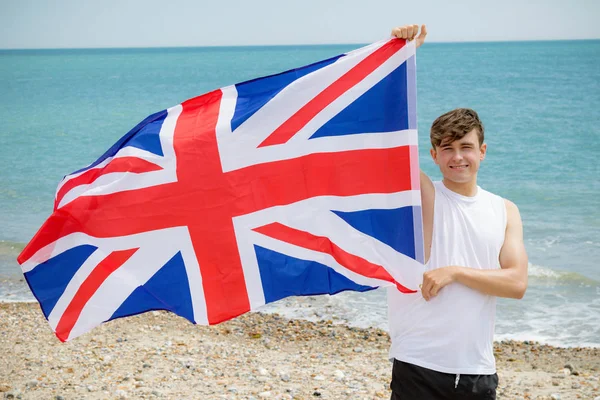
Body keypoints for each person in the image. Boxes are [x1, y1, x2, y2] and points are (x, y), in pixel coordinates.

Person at [387, 25, 529, 400]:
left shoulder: (505, 210)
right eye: (446, 148)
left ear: (482, 151)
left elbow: (516, 284)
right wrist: (404, 56)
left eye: (466, 147)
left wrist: (454, 272)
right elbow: (388, 134)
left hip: (478, 371)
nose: (457, 157)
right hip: (418, 364)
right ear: (433, 156)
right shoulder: (425, 196)